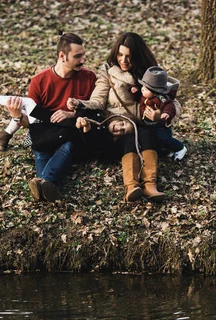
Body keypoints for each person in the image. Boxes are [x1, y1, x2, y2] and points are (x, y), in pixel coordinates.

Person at [0, 32, 96, 202]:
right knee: (39, 147)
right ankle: (47, 185)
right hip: (44, 133)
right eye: (78, 56)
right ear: (62, 56)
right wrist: (16, 117)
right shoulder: (39, 81)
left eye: (83, 55)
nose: (83, 60)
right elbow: (32, 122)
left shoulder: (89, 78)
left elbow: (94, 111)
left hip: (72, 133)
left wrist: (71, 113)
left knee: (68, 145)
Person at [67, 32, 180, 202]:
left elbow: (174, 104)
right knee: (129, 138)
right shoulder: (108, 71)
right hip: (114, 129)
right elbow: (97, 100)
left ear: (138, 57)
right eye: (120, 54)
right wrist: (80, 104)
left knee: (145, 134)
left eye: (129, 56)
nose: (124, 60)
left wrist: (160, 116)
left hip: (140, 126)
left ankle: (150, 185)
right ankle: (132, 186)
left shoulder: (150, 74)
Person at [136, 66, 187, 161]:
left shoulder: (161, 98)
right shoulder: (145, 96)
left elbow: (169, 106)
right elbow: (139, 101)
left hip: (160, 125)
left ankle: (180, 148)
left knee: (164, 138)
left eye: (146, 89)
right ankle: (169, 149)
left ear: (155, 92)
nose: (142, 90)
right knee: (155, 139)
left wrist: (166, 113)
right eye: (142, 87)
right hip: (148, 123)